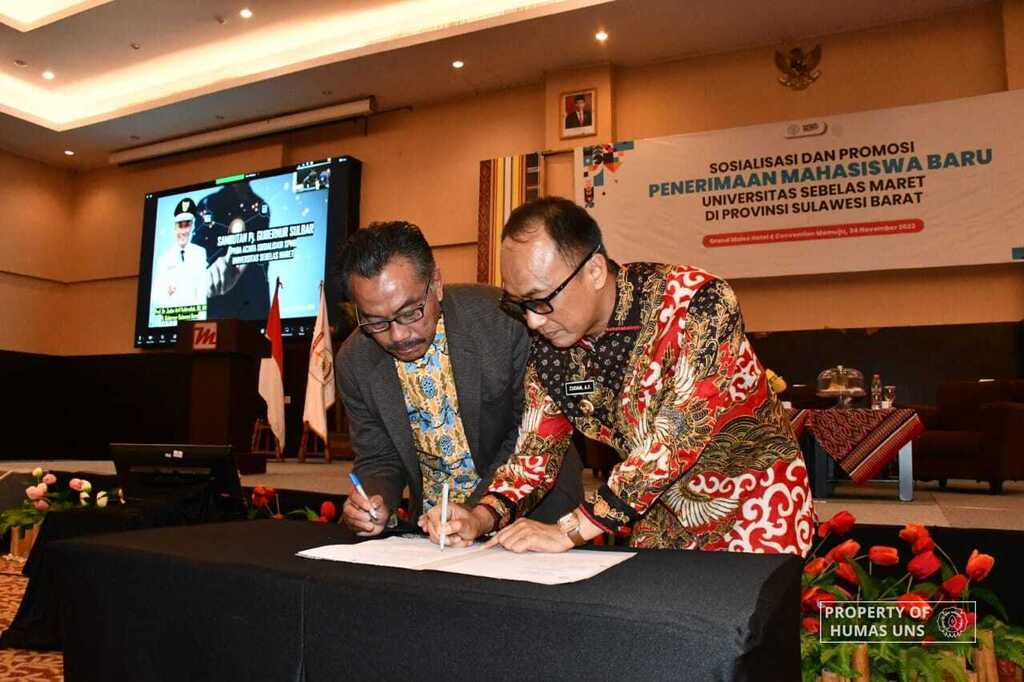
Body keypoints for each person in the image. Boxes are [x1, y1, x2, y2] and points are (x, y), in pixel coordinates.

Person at [422, 197, 814, 555]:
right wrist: (480, 517)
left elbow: (675, 439)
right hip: (660, 514)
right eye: (519, 304)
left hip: (757, 507)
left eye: (540, 300)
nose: (533, 321)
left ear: (594, 270)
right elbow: (533, 457)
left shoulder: (697, 305)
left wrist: (570, 530)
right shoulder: (550, 346)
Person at [334, 221, 582, 536]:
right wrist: (373, 500)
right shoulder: (355, 360)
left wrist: (476, 513)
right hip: (437, 531)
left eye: (409, 312)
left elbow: (529, 433)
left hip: (534, 515)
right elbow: (378, 456)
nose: (398, 335)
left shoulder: (503, 321)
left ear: (436, 283)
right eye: (376, 321)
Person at [190, 182, 271, 321]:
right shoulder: (210, 203)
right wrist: (207, 275)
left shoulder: (260, 205)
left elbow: (261, 257)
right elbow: (196, 251)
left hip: (255, 308)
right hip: (221, 307)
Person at [152, 197, 208, 320]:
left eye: (187, 225)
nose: (183, 231)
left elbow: (203, 295)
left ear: (192, 226)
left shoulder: (200, 254)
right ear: (174, 227)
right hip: (170, 322)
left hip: (195, 323)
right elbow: (155, 297)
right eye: (180, 226)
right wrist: (167, 291)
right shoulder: (164, 259)